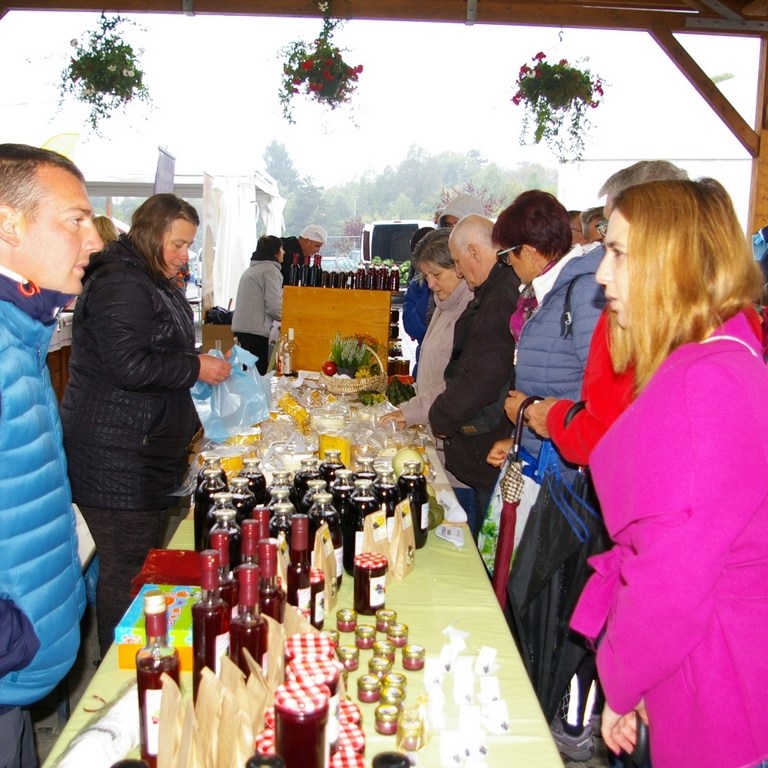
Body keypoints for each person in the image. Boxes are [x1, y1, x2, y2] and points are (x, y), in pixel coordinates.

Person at [571, 178, 768, 768]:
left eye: (619, 253)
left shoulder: (704, 383)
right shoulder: (725, 359)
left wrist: (623, 682)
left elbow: (671, 580)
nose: (602, 274)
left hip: (717, 682)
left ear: (673, 264)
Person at [61, 193, 231, 657]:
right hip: (116, 455)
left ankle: (139, 654)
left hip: (141, 448)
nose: (185, 255)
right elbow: (129, 365)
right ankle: (123, 664)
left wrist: (195, 360)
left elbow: (155, 349)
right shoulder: (122, 282)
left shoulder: (148, 276)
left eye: (189, 245)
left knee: (140, 562)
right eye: (178, 244)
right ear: (151, 234)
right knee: (127, 568)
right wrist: (195, 367)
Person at [0, 143, 100, 768]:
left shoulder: (21, 331)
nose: (94, 241)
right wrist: (13, 639)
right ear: (8, 223)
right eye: (75, 220)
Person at [428, 215, 519, 536]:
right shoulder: (493, 292)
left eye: (456, 261)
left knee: (484, 542)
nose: (458, 271)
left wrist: (440, 417)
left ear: (475, 252)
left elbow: (481, 376)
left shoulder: (499, 298)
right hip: (485, 444)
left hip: (487, 444)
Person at [380, 228, 474, 512]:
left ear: (458, 267)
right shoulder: (444, 304)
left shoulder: (470, 311)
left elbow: (458, 384)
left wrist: (410, 411)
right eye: (425, 276)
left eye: (436, 274)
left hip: (459, 454)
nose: (430, 284)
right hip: (436, 433)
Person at [232, 234, 285, 374]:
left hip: (245, 328)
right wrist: (289, 318)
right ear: (275, 251)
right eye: (281, 248)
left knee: (249, 371)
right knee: (257, 373)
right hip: (255, 330)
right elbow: (275, 305)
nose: (284, 252)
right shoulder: (269, 270)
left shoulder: (254, 269)